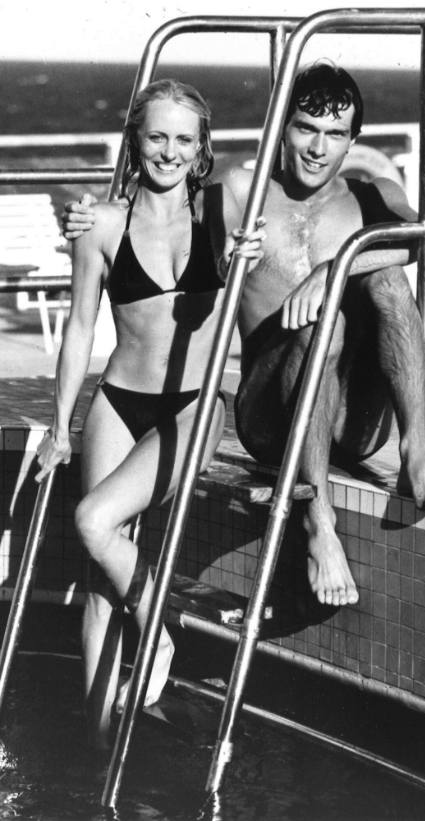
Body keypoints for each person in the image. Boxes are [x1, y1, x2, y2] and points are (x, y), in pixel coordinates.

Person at [62, 63, 425, 614]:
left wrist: (335, 269)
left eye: (336, 134)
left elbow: (418, 239)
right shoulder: (243, 193)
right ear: (281, 130)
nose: (319, 148)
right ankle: (319, 521)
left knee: (388, 280)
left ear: (354, 140)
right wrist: (84, 214)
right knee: (326, 326)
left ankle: (416, 448)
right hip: (272, 410)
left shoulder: (375, 196)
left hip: (357, 416)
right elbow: (163, 204)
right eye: (305, 129)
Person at [36, 78, 264, 749]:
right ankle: (101, 736)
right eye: (156, 135)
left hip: (194, 405)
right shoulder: (102, 223)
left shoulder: (228, 208)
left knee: (92, 520)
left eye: (183, 139)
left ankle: (159, 636)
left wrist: (251, 261)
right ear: (135, 141)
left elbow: (308, 192)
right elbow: (80, 327)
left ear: (202, 151)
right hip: (119, 400)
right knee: (99, 575)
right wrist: (58, 427)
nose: (168, 150)